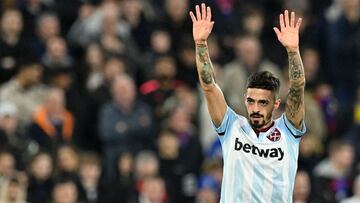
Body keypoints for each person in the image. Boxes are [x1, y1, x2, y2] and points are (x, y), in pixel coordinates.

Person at [190, 3, 306, 202]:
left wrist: (293, 51)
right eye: (251, 101)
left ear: (275, 105)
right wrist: (201, 43)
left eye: (263, 103)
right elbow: (209, 86)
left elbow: (297, 87)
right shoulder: (232, 127)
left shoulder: (288, 131)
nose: (255, 108)